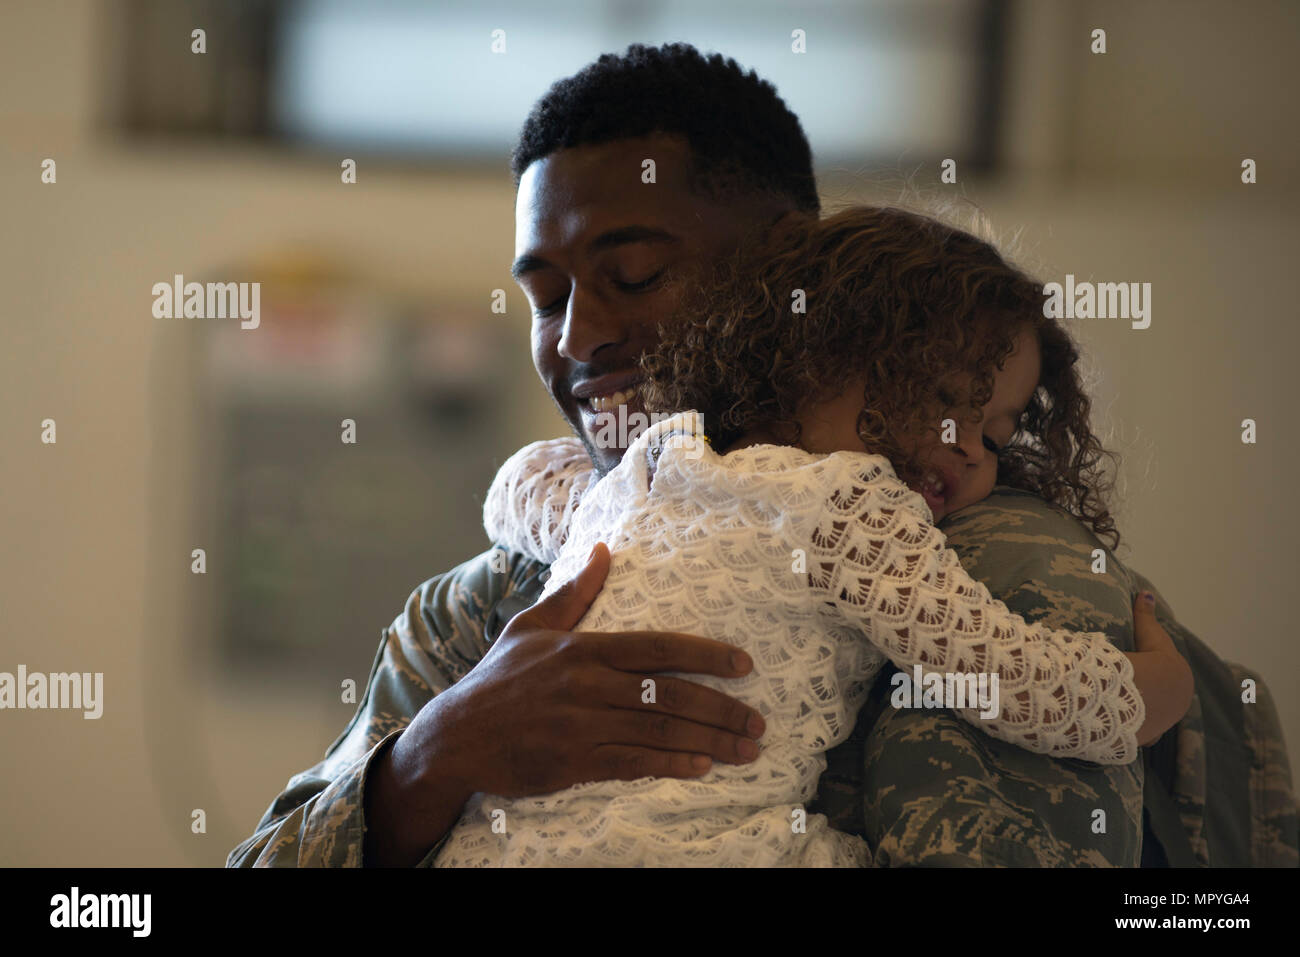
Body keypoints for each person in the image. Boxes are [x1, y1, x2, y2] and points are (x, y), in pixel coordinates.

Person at [226, 43, 1296, 868]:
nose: (576, 336)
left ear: (794, 267)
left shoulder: (994, 567)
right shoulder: (482, 614)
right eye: (543, 296)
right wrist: (431, 762)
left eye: (633, 272)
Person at [430, 205, 1192, 867]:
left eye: (996, 437)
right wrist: (1164, 684)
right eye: (947, 400)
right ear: (821, 352)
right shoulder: (850, 508)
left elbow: (516, 489)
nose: (968, 449)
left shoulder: (658, 467)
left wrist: (596, 490)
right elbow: (1013, 682)